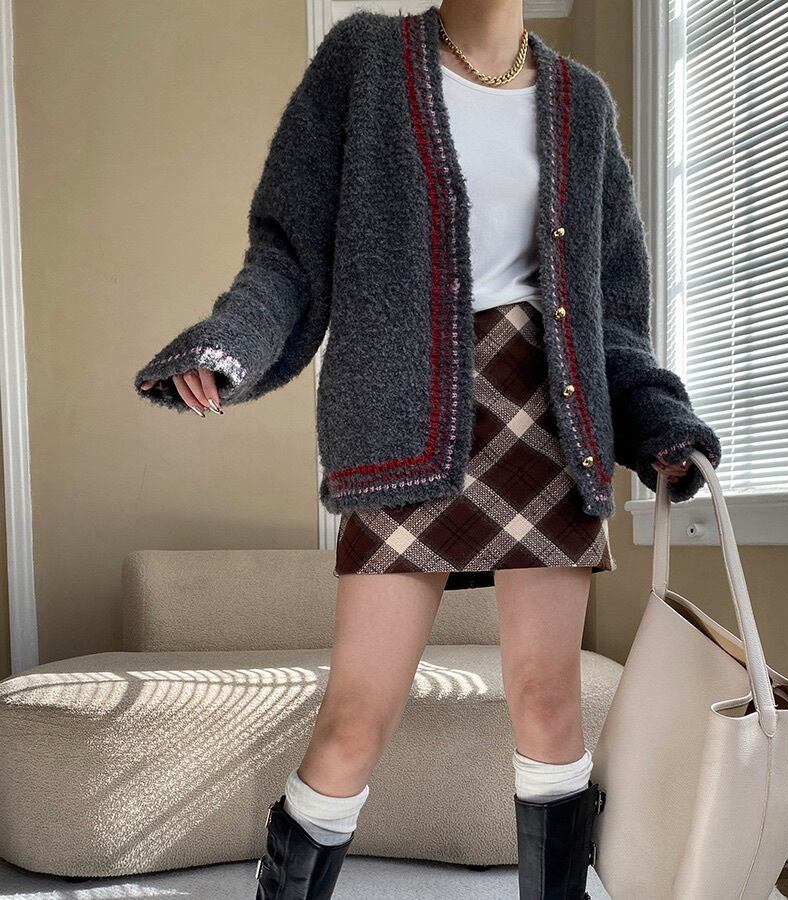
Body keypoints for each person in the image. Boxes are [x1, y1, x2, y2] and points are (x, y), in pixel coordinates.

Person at [134, 3, 721, 898]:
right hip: (403, 416)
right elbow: (289, 254)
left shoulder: (583, 103)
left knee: (549, 705)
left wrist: (658, 423)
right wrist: (232, 342)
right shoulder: (364, 61)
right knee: (355, 719)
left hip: (550, 425)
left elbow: (615, 313)